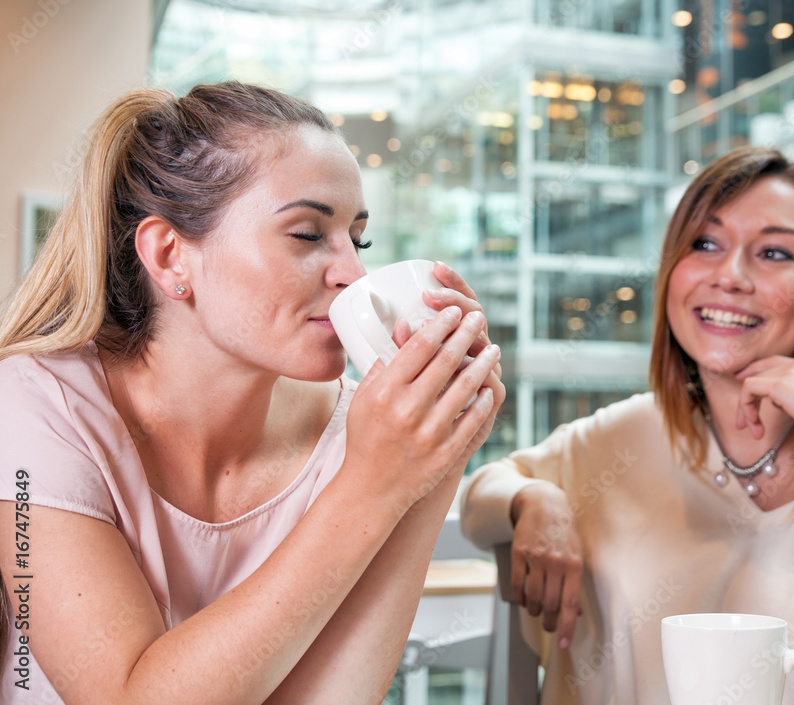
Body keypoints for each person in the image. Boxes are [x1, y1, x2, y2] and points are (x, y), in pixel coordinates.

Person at [0, 81, 504, 704]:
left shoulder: (368, 433)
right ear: (169, 255)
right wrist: (375, 485)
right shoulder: (37, 406)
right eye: (306, 234)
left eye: (357, 238)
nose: (354, 274)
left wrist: (438, 458)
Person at [460, 146, 794, 704]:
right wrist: (535, 500)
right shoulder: (632, 432)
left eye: (773, 252)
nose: (730, 276)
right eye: (705, 244)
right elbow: (483, 494)